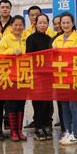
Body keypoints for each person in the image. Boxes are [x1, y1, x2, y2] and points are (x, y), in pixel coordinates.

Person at [52, 13, 77, 146]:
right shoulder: (57, 40)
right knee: (64, 106)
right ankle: (67, 131)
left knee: (73, 105)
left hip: (74, 77)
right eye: (63, 23)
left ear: (73, 23)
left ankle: (75, 133)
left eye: (68, 22)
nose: (65, 25)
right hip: (60, 77)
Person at [0, 15, 27, 141]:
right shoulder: (6, 39)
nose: (18, 27)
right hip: (9, 76)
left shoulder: (26, 38)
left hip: (23, 76)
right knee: (11, 104)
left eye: (20, 25)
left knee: (21, 104)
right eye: (16, 25)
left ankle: (20, 131)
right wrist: (11, 51)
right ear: (11, 26)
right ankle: (13, 131)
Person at [26, 13, 53, 141]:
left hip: (48, 76)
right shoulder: (30, 39)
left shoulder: (50, 39)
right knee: (38, 103)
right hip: (36, 76)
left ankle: (46, 126)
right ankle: (38, 127)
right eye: (40, 23)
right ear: (35, 24)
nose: (42, 25)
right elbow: (29, 58)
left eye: (45, 23)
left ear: (48, 24)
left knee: (47, 103)